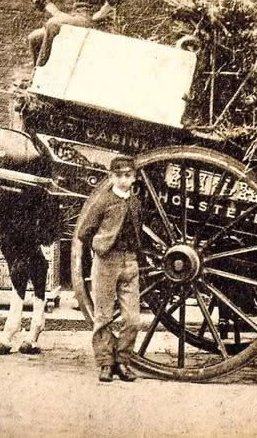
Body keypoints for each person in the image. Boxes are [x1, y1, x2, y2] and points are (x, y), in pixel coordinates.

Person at [76, 155, 142, 383]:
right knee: (103, 316)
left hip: (130, 263)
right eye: (118, 176)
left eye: (127, 176)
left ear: (133, 178)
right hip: (106, 262)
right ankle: (106, 363)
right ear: (111, 177)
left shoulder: (135, 202)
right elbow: (84, 231)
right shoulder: (103, 201)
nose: (123, 180)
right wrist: (100, 246)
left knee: (133, 319)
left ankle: (123, 361)